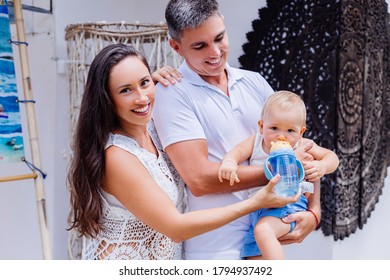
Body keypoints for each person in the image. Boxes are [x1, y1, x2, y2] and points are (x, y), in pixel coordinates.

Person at [67, 43, 298, 260]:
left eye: (144, 83)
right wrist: (256, 202)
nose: (141, 97)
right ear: (107, 99)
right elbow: (176, 228)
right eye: (125, 90)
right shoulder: (117, 156)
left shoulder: (153, 131)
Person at [152, 0, 320, 260]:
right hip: (216, 249)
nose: (215, 52)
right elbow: (198, 180)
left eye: (220, 38)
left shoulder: (254, 82)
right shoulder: (171, 93)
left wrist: (314, 212)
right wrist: (278, 170)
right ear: (176, 46)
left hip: (265, 240)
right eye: (200, 45)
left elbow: (301, 150)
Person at [218, 91, 339, 259]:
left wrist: (323, 165)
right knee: (253, 254)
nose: (281, 135)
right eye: (274, 128)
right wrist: (230, 162)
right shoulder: (256, 142)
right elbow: (237, 151)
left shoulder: (301, 145)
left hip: (287, 205)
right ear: (261, 126)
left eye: (290, 130)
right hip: (257, 210)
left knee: (263, 231)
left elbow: (332, 157)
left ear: (301, 132)